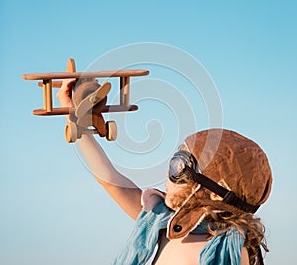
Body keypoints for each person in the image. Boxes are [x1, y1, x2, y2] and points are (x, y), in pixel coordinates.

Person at [57, 79, 272, 265]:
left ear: (214, 192)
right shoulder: (162, 224)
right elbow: (110, 179)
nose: (169, 176)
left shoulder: (228, 252)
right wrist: (74, 119)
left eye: (179, 168)